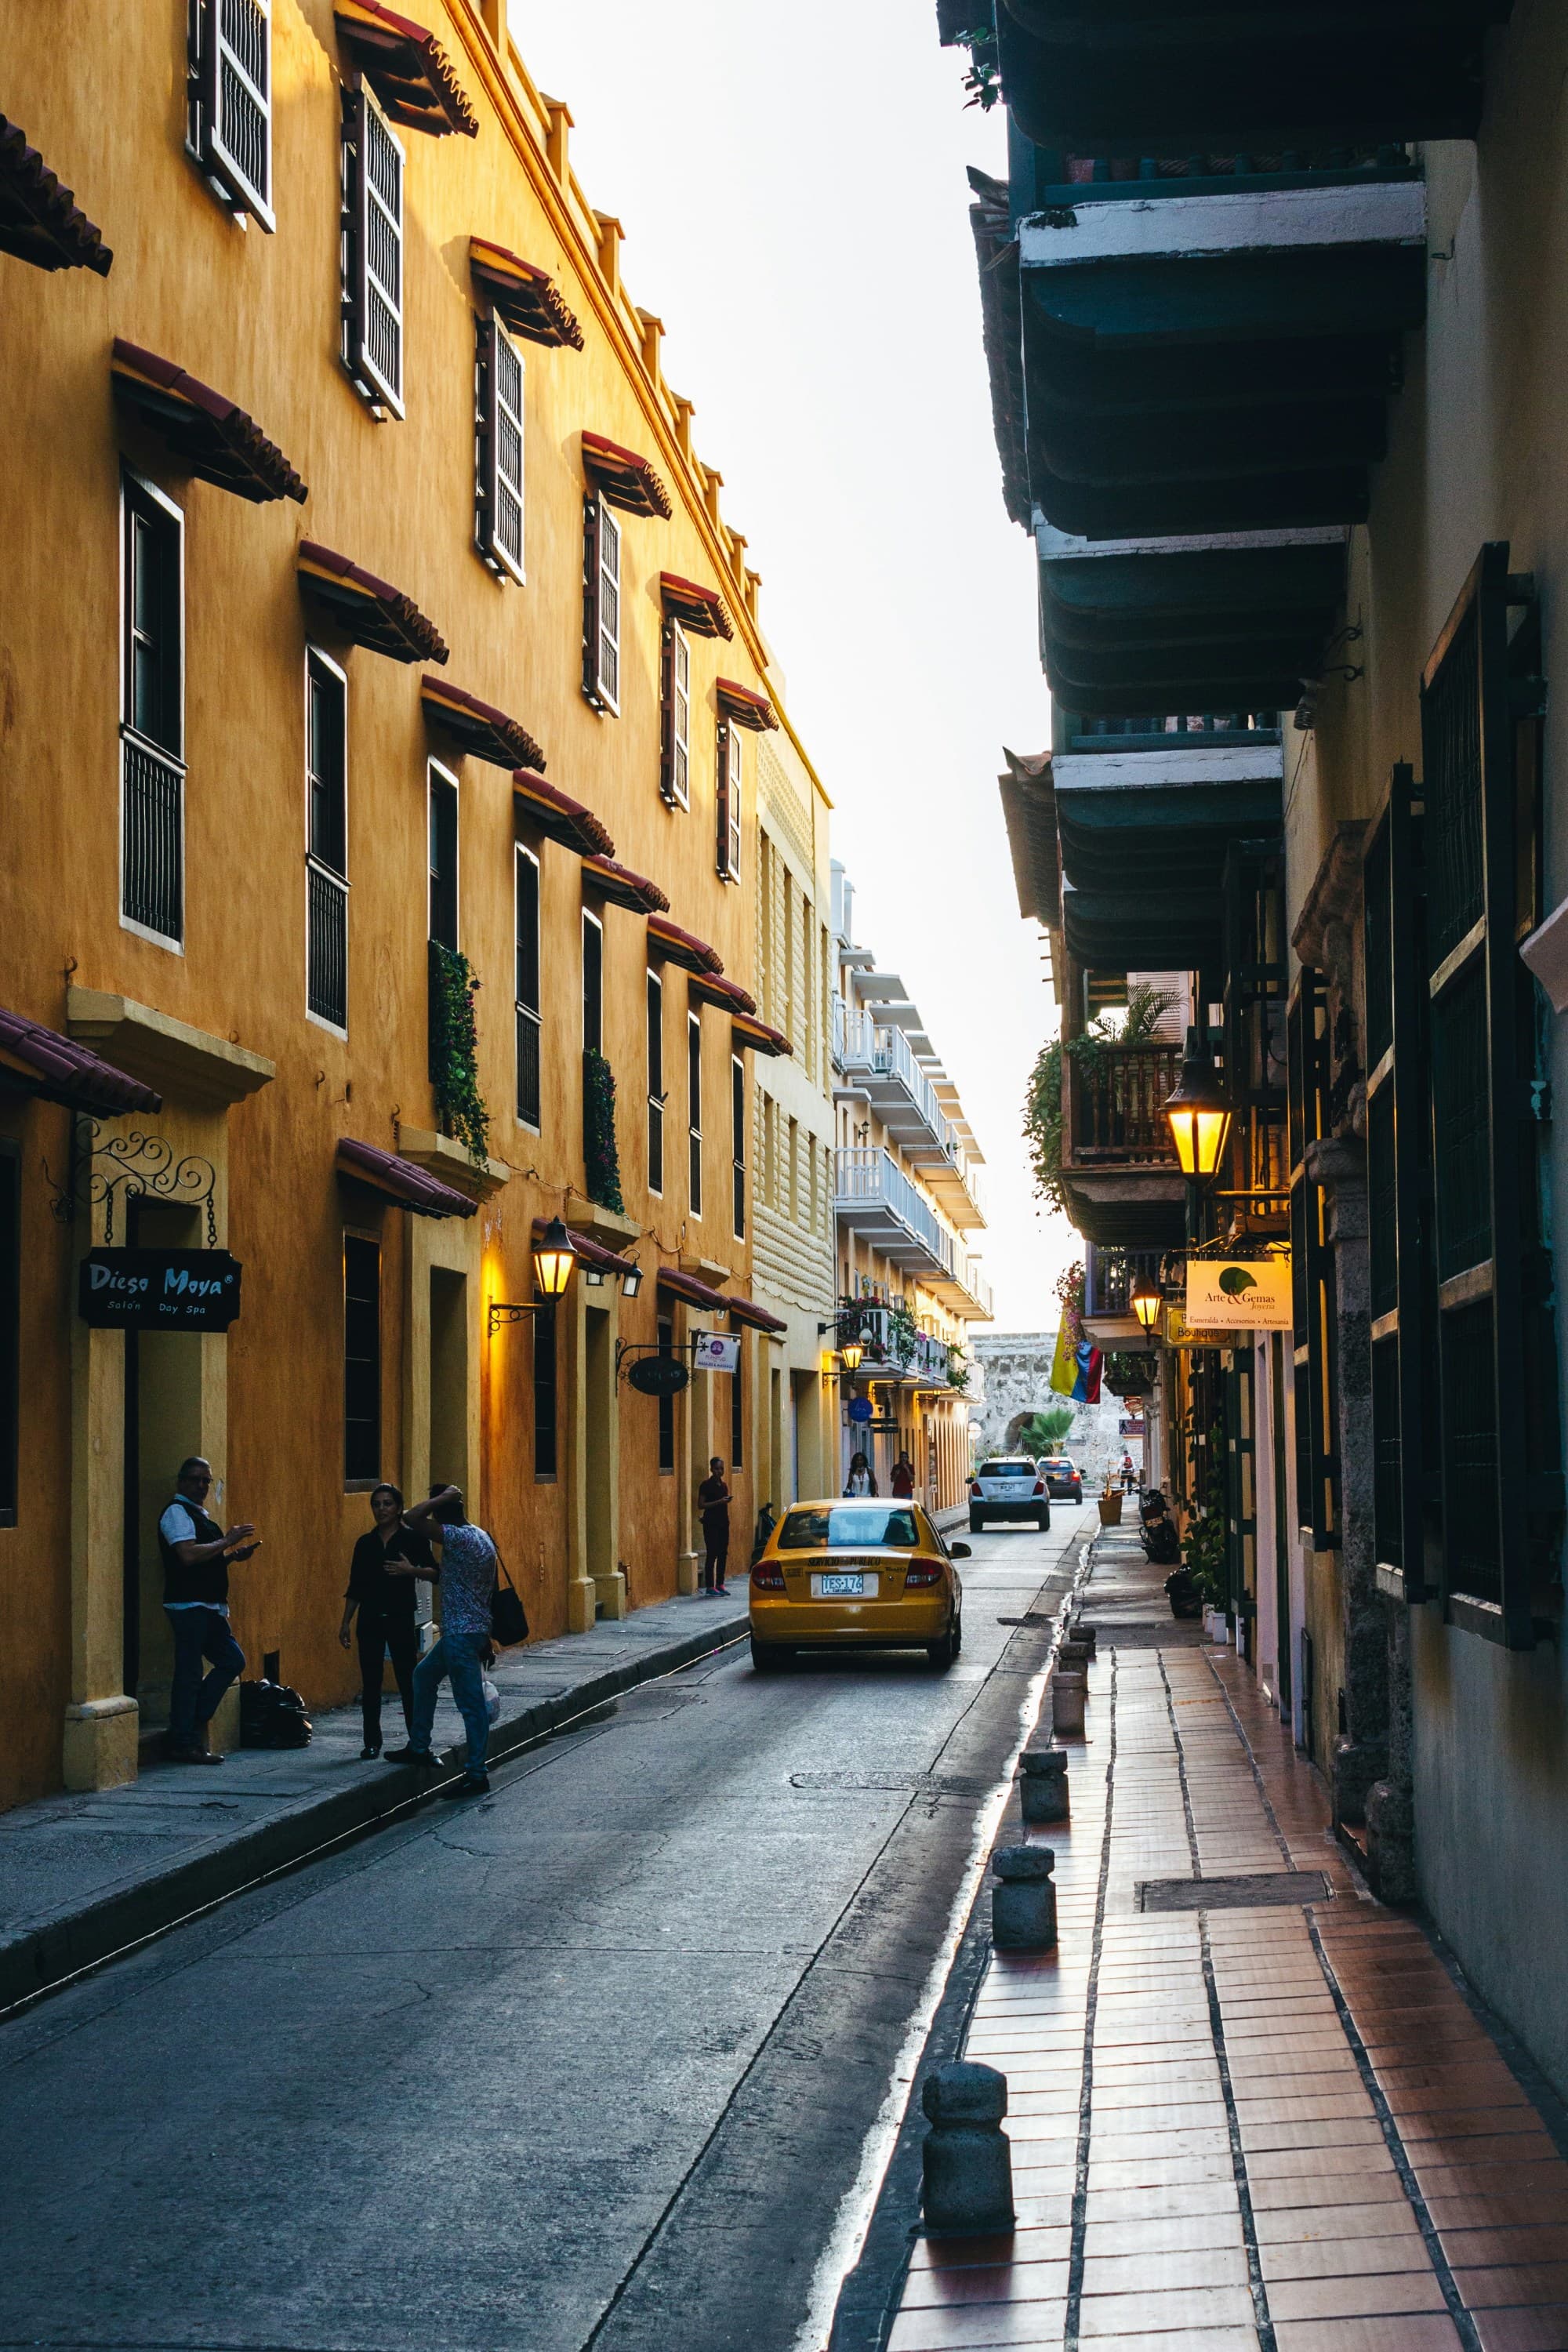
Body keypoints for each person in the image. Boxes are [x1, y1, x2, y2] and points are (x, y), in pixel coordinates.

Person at [387, 1484, 499, 1799]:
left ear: (440, 1512)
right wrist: (414, 1570)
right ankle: (419, 1745)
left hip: (462, 1634)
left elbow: (411, 1517)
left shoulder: (458, 1537)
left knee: (471, 1706)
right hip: (467, 1630)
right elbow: (450, 1578)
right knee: (423, 1676)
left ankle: (477, 1774)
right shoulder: (480, 1535)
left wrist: (441, 1498)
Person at [158, 1456, 260, 1765]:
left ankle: (190, 1725)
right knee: (189, 1674)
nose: (202, 1486)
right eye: (196, 1479)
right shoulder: (177, 1513)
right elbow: (187, 1555)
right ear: (181, 1482)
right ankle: (185, 1739)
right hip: (189, 1606)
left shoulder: (198, 1515)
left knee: (232, 1661)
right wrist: (227, 1541)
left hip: (209, 1607)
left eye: (207, 1480)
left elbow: (203, 1558)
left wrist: (230, 1557)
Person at [339, 1483, 435, 1759]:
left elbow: (435, 1573)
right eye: (377, 1504)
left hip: (400, 1616)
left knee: (408, 1680)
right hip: (369, 1618)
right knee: (371, 1682)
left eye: (387, 1504)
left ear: (398, 1508)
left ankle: (417, 1742)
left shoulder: (412, 1540)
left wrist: (410, 1570)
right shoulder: (365, 1543)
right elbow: (355, 1586)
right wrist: (346, 1622)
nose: (381, 1510)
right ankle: (371, 1742)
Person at [697, 1456, 732, 1595]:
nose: (719, 1471)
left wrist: (726, 1501)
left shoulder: (724, 1486)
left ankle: (720, 1583)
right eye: (717, 1469)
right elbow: (701, 1505)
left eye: (722, 1469)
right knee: (712, 1553)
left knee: (723, 1553)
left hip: (723, 1522)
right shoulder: (706, 1485)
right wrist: (719, 1501)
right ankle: (710, 1586)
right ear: (712, 1469)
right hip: (711, 1523)